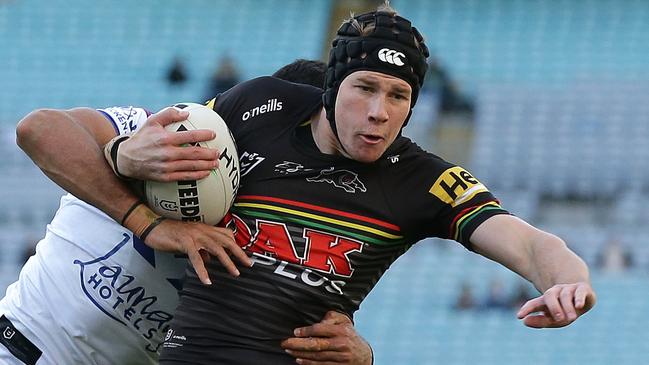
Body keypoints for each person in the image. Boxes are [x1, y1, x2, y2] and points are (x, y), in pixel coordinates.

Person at [14, 4, 596, 365]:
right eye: (361, 91)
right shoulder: (175, 139)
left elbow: (524, 240)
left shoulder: (409, 181)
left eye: (397, 96)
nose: (377, 112)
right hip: (24, 344)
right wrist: (127, 163)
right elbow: (39, 129)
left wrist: (569, 280)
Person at [0, 61, 372, 365]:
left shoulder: (292, 240)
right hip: (23, 348)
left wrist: (359, 356)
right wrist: (141, 208)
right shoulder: (162, 136)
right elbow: (38, 129)